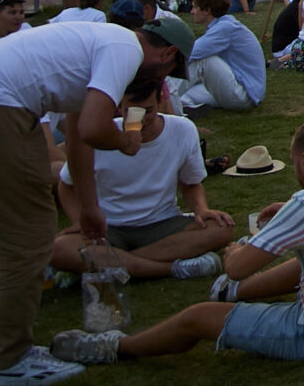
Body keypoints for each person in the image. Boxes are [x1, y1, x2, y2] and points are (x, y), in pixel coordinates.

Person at [0, 16, 193, 384]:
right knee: (27, 240)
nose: (159, 81)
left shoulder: (99, 44)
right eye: (168, 70)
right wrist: (126, 142)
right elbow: (93, 129)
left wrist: (89, 206)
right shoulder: (125, 50)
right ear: (167, 53)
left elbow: (75, 134)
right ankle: (10, 363)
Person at [51, 117, 304, 367]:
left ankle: (114, 346)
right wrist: (286, 216)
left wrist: (237, 250)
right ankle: (231, 296)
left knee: (199, 317)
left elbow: (236, 267)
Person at [48, 81, 232, 282]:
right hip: (109, 228)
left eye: (148, 111)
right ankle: (171, 268)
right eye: (133, 112)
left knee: (222, 229)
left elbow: (190, 184)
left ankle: (109, 265)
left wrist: (201, 210)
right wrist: (79, 221)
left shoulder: (182, 130)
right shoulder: (102, 136)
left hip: (161, 224)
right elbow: (66, 185)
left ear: (160, 101)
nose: (142, 119)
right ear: (119, 107)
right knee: (57, 250)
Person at [179, 0, 266, 112]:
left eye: (195, 7)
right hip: (238, 87)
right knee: (185, 94)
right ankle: (185, 105)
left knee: (203, 60)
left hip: (245, 94)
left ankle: (166, 96)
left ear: (207, 10)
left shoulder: (225, 28)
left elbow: (189, 53)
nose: (192, 11)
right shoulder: (223, 25)